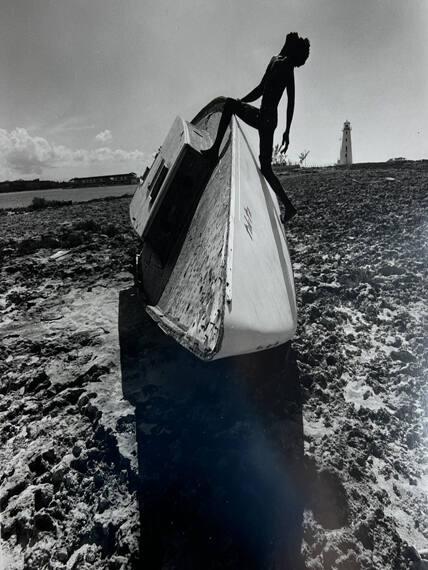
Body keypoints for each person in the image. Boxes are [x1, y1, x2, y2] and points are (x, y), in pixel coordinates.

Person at [202, 33, 310, 224]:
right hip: (263, 115)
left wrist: (287, 131)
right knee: (229, 105)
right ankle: (213, 151)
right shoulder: (276, 61)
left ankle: (289, 206)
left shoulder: (286, 69)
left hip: (268, 120)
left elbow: (290, 103)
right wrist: (241, 101)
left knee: (266, 168)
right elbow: (260, 89)